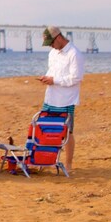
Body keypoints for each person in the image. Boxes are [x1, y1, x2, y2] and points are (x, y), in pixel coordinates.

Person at [38, 25, 85, 172]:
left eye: (52, 42)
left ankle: (69, 164)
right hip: (50, 97)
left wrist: (54, 80)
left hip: (66, 99)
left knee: (67, 132)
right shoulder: (53, 53)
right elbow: (52, 71)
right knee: (46, 128)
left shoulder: (74, 53)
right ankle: (46, 160)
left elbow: (76, 78)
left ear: (59, 38)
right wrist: (47, 78)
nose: (51, 46)